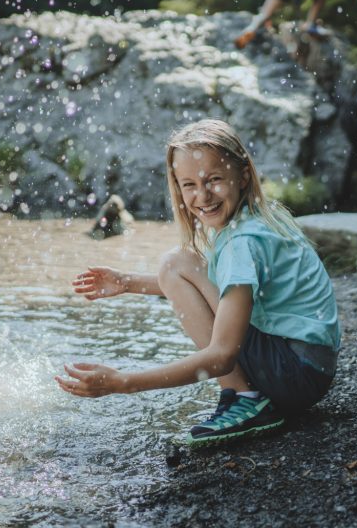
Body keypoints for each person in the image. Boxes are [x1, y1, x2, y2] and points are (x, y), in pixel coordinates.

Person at [55, 119, 340, 448]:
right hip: (310, 367)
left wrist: (122, 382)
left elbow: (221, 356)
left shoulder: (241, 243)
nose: (202, 195)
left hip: (295, 375)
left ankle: (246, 400)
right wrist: (127, 282)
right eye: (188, 184)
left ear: (243, 174)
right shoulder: (259, 217)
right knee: (178, 265)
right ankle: (248, 396)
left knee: (176, 262)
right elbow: (213, 287)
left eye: (214, 180)